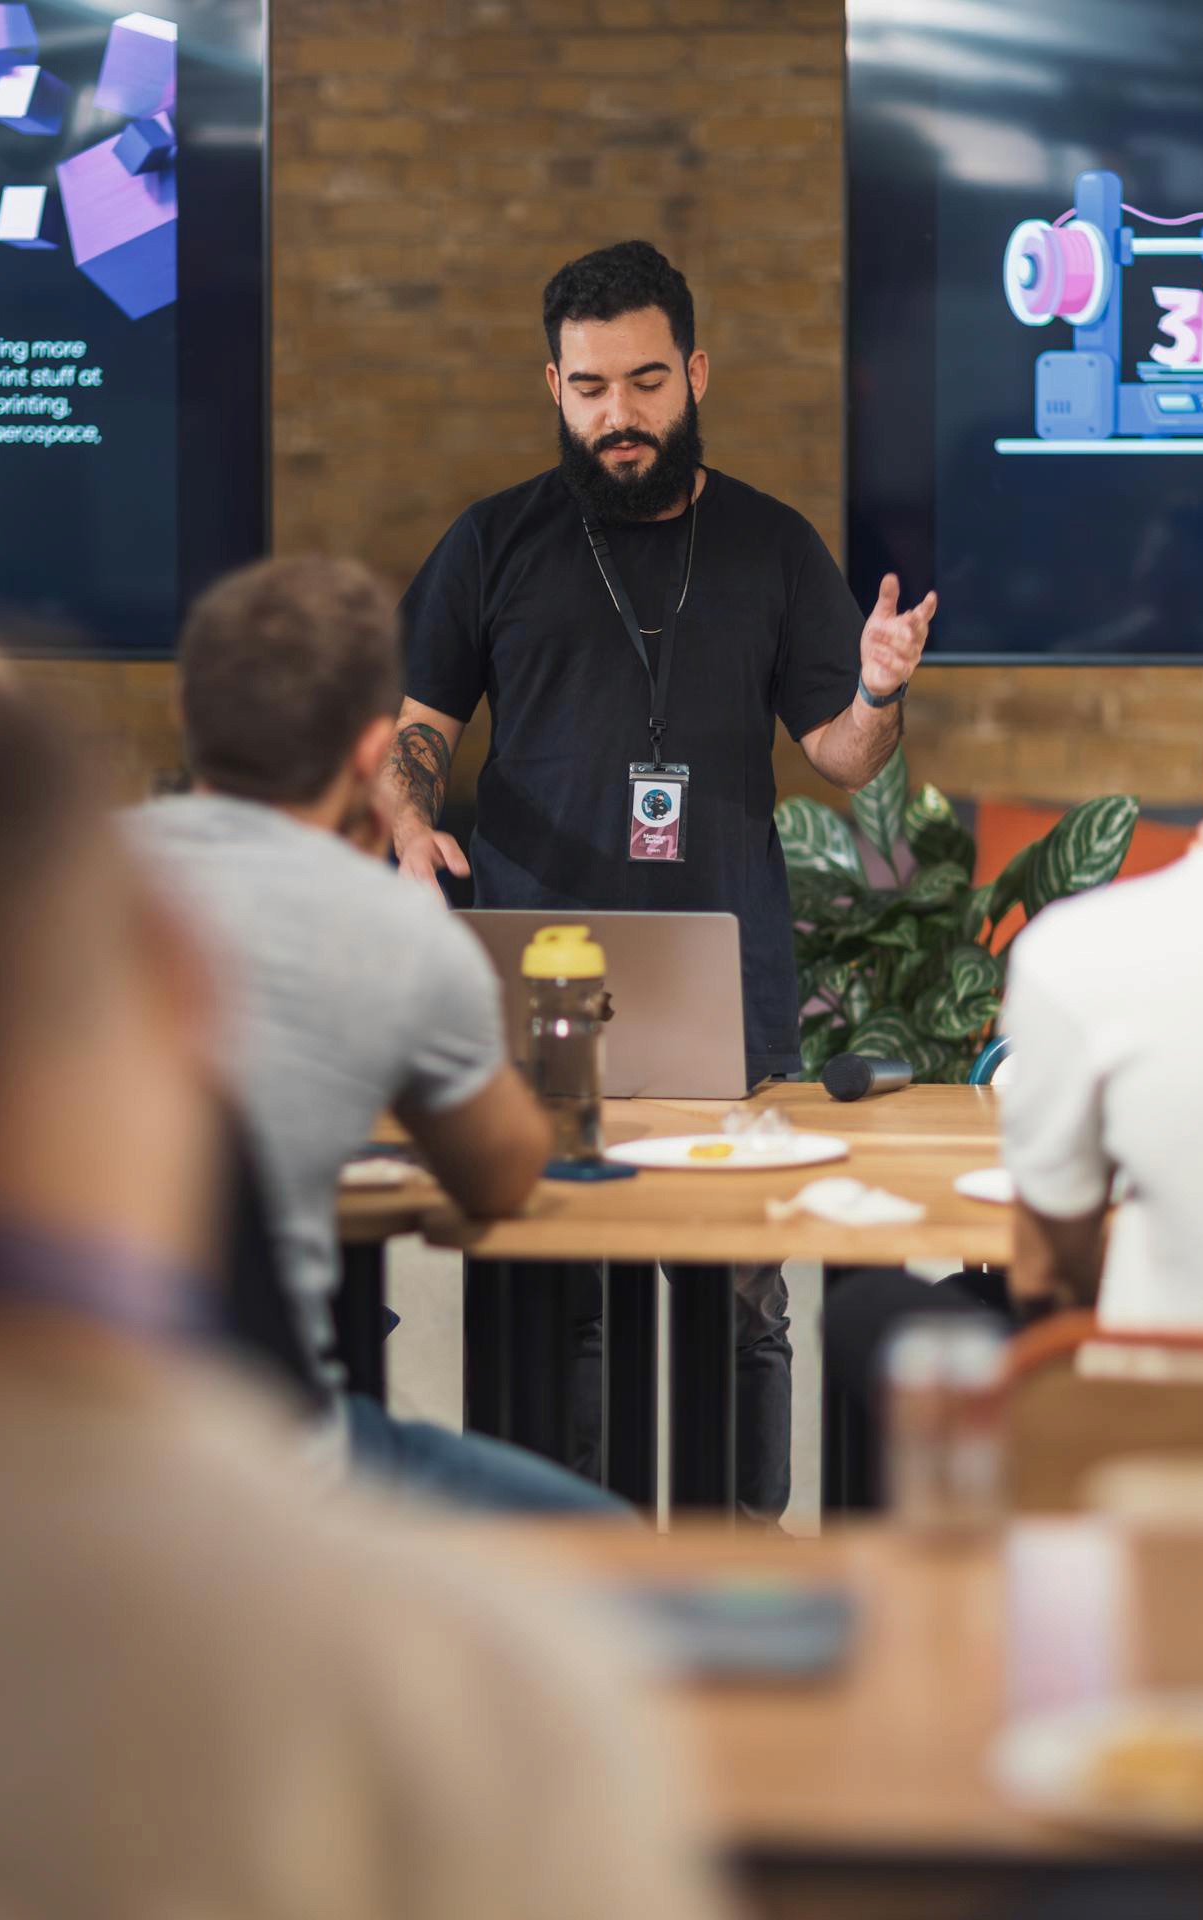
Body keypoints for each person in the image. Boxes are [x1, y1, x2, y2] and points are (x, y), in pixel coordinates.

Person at [0, 654, 726, 1920]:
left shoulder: (121, 861)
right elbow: (499, 1178)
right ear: (173, 987)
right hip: (292, 1453)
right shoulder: (476, 1701)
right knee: (628, 1571)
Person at [385, 239, 937, 1518]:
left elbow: (843, 759)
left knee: (746, 1307)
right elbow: (415, 736)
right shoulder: (491, 544)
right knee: (555, 1314)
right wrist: (411, 830)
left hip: (724, 993)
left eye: (644, 383)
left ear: (694, 373)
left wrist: (875, 690)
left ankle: (738, 1556)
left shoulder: (772, 546)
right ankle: (574, 1575)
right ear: (553, 386)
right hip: (540, 1001)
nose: (617, 417)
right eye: (589, 389)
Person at [130, 554, 623, 1513]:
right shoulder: (390, 931)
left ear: (192, 719)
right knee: (598, 1530)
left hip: (34, 1452)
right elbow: (504, 1172)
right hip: (260, 1467)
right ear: (369, 755)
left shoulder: (56, 873)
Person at [824, 600, 1203, 1475]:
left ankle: (949, 1600)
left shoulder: (1086, 952)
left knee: (879, 1310)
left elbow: (1047, 1279)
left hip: (1158, 1441)